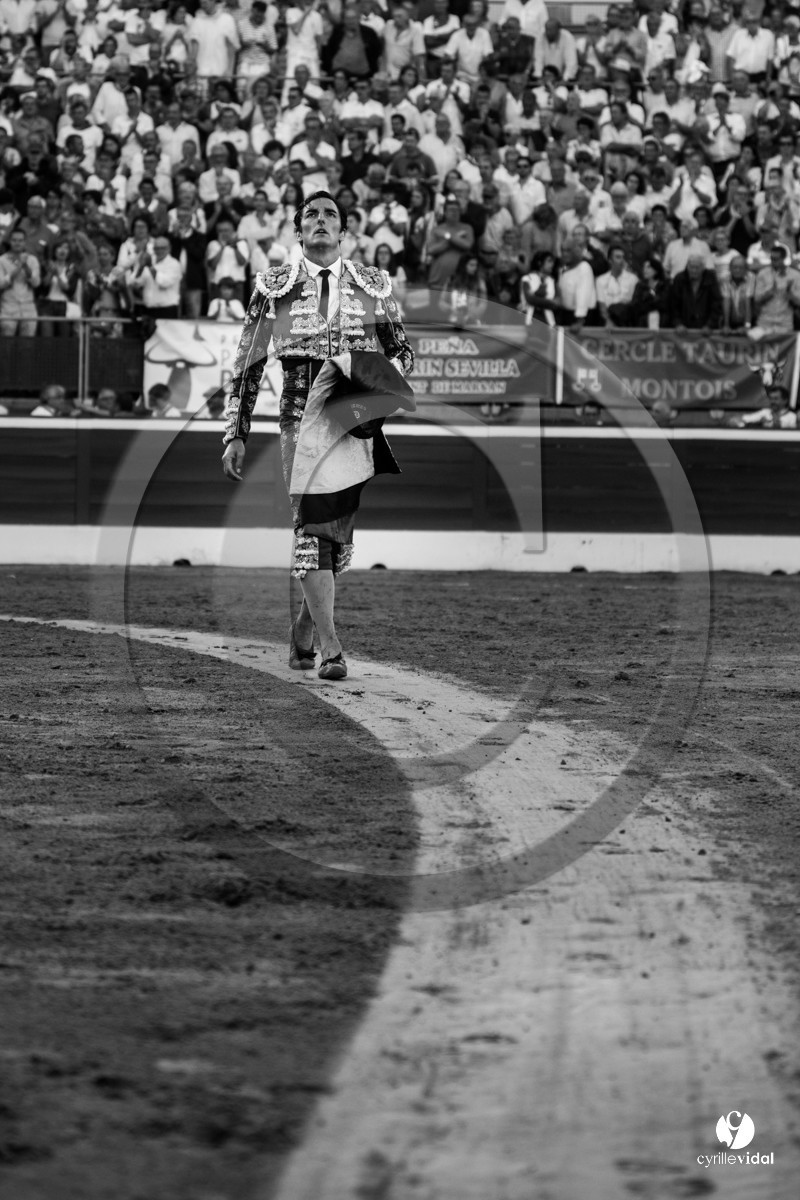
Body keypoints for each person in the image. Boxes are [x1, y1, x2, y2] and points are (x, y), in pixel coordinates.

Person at [221, 191, 414, 681]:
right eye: (312, 215)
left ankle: (304, 630)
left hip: (353, 422)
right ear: (298, 230)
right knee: (311, 527)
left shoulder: (372, 286)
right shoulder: (274, 287)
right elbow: (247, 363)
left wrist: (375, 383)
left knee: (336, 534)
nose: (321, 221)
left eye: (331, 215)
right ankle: (332, 649)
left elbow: (403, 352)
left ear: (344, 230)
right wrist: (236, 432)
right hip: (298, 419)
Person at [0, 226, 40, 335]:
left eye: (20, 240)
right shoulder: (2, 260)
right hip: (8, 307)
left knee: (27, 343)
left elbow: (36, 283)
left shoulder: (32, 260)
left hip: (29, 307)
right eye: (14, 240)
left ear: (25, 242)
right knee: (7, 342)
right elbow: (1, 284)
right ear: (10, 241)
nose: (17, 243)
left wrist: (25, 266)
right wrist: (18, 268)